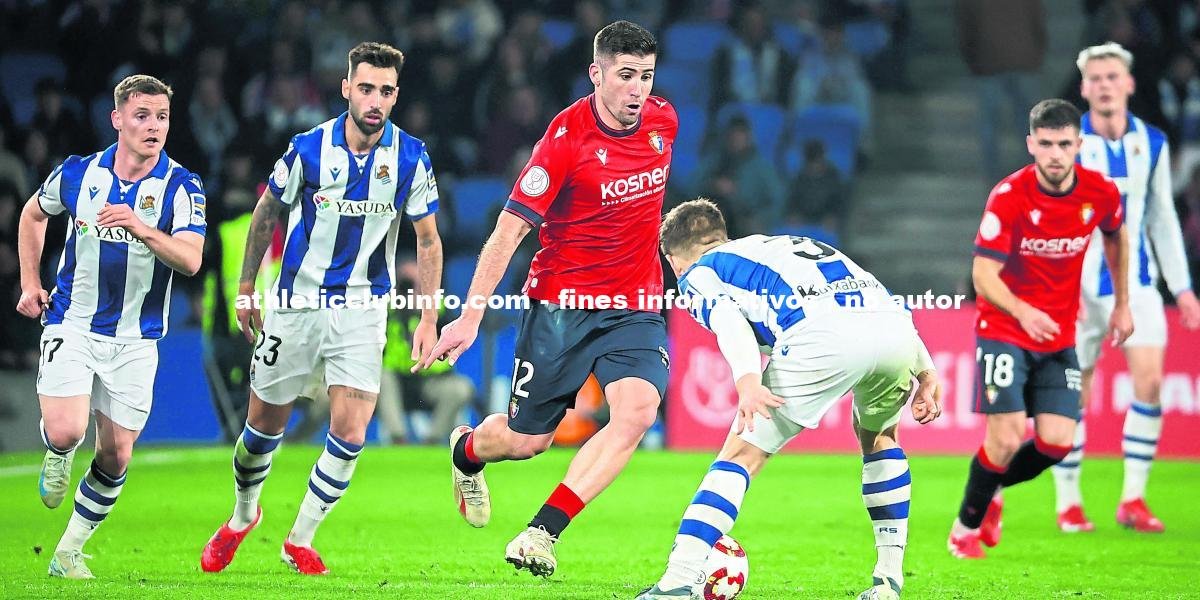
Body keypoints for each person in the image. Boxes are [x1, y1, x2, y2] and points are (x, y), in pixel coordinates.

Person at [416, 20, 677, 578]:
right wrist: (470, 314)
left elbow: (645, 214)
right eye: (625, 76)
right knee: (526, 441)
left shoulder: (663, 121)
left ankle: (540, 533)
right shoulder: (565, 141)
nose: (638, 90)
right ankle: (466, 451)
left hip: (634, 306)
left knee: (636, 413)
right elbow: (508, 232)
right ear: (596, 74)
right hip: (561, 308)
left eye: (646, 77)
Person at [199, 42, 444, 575]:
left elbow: (427, 240)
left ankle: (300, 538)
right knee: (260, 429)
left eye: (385, 91)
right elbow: (267, 212)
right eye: (365, 88)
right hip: (296, 305)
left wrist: (428, 316)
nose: (374, 100)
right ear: (346, 89)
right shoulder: (309, 148)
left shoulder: (411, 157)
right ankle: (243, 516)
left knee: (352, 431)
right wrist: (245, 286)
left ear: (395, 95)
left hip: (363, 308)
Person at [635, 199, 943, 600]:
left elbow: (728, 321)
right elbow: (877, 297)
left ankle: (677, 582)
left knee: (740, 457)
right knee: (881, 437)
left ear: (673, 259)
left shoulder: (699, 273)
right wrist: (927, 369)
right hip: (897, 331)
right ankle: (887, 582)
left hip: (822, 336)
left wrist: (747, 380)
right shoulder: (770, 246)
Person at [15, 74, 206, 579]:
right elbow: (34, 214)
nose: (154, 127)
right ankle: (57, 451)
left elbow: (190, 260)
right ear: (117, 119)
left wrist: (142, 227)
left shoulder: (182, 186)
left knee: (117, 455)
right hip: (72, 322)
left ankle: (67, 552)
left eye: (162, 117)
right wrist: (30, 282)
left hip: (137, 338)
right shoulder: (79, 174)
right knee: (67, 428)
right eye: (142, 116)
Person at [947, 99, 1133, 560]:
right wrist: (1024, 311)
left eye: (1064, 144)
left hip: (1058, 337)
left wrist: (1123, 304)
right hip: (1004, 330)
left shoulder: (1100, 193)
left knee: (1056, 443)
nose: (1054, 154)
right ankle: (964, 529)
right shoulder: (1009, 196)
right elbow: (983, 277)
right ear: (1031, 144)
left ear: (1079, 145)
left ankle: (989, 489)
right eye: (1045, 144)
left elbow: (1116, 235)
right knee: (1006, 437)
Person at [1048, 42, 1200, 534]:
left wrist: (1183, 290)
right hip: (1079, 289)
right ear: (1084, 88)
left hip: (1139, 284)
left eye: (1112, 76)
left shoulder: (1151, 143)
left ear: (1129, 83)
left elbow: (1162, 219)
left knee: (1150, 383)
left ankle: (1133, 497)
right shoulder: (1066, 145)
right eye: (1095, 78)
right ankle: (1069, 503)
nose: (1104, 85)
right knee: (1075, 393)